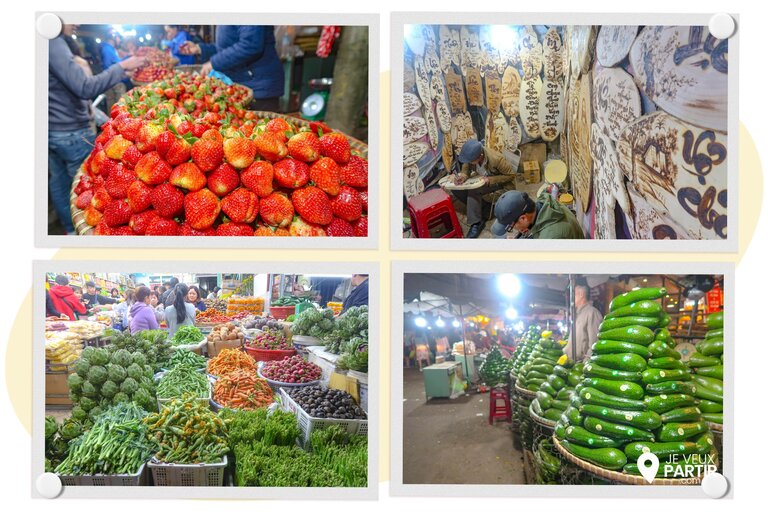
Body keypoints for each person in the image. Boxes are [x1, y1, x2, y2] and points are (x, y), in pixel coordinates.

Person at [48, 25, 146, 234]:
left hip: (51, 127)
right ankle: (73, 232)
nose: (77, 23)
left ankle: (69, 230)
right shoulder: (52, 42)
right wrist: (121, 67)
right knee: (84, 181)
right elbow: (84, 87)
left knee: (58, 181)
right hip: (71, 128)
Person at [179, 25, 284, 111]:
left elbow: (250, 44)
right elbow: (225, 48)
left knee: (263, 131)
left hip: (259, 85)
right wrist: (199, 48)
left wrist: (213, 63)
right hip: (242, 85)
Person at [450, 139, 519, 238]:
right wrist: (463, 176)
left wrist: (491, 179)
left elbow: (511, 176)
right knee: (457, 189)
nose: (469, 162)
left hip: (500, 184)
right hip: (483, 179)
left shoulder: (496, 159)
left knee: (474, 191)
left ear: (480, 156)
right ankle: (480, 209)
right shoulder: (473, 156)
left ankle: (476, 223)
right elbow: (466, 166)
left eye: (471, 161)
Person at [490, 190, 585, 240]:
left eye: (511, 227)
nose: (514, 230)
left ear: (523, 218)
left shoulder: (551, 237)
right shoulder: (544, 204)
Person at [565, 283, 604, 361]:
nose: (571, 298)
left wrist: (584, 366)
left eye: (574, 294)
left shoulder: (592, 313)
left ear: (581, 294)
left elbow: (595, 344)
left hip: (580, 365)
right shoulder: (577, 314)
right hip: (572, 363)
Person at [99, 32, 132, 110]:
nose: (120, 40)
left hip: (115, 81)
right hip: (113, 84)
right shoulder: (107, 49)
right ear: (113, 37)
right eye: (118, 38)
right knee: (116, 107)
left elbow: (116, 62)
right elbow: (108, 67)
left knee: (119, 106)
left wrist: (127, 57)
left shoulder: (111, 49)